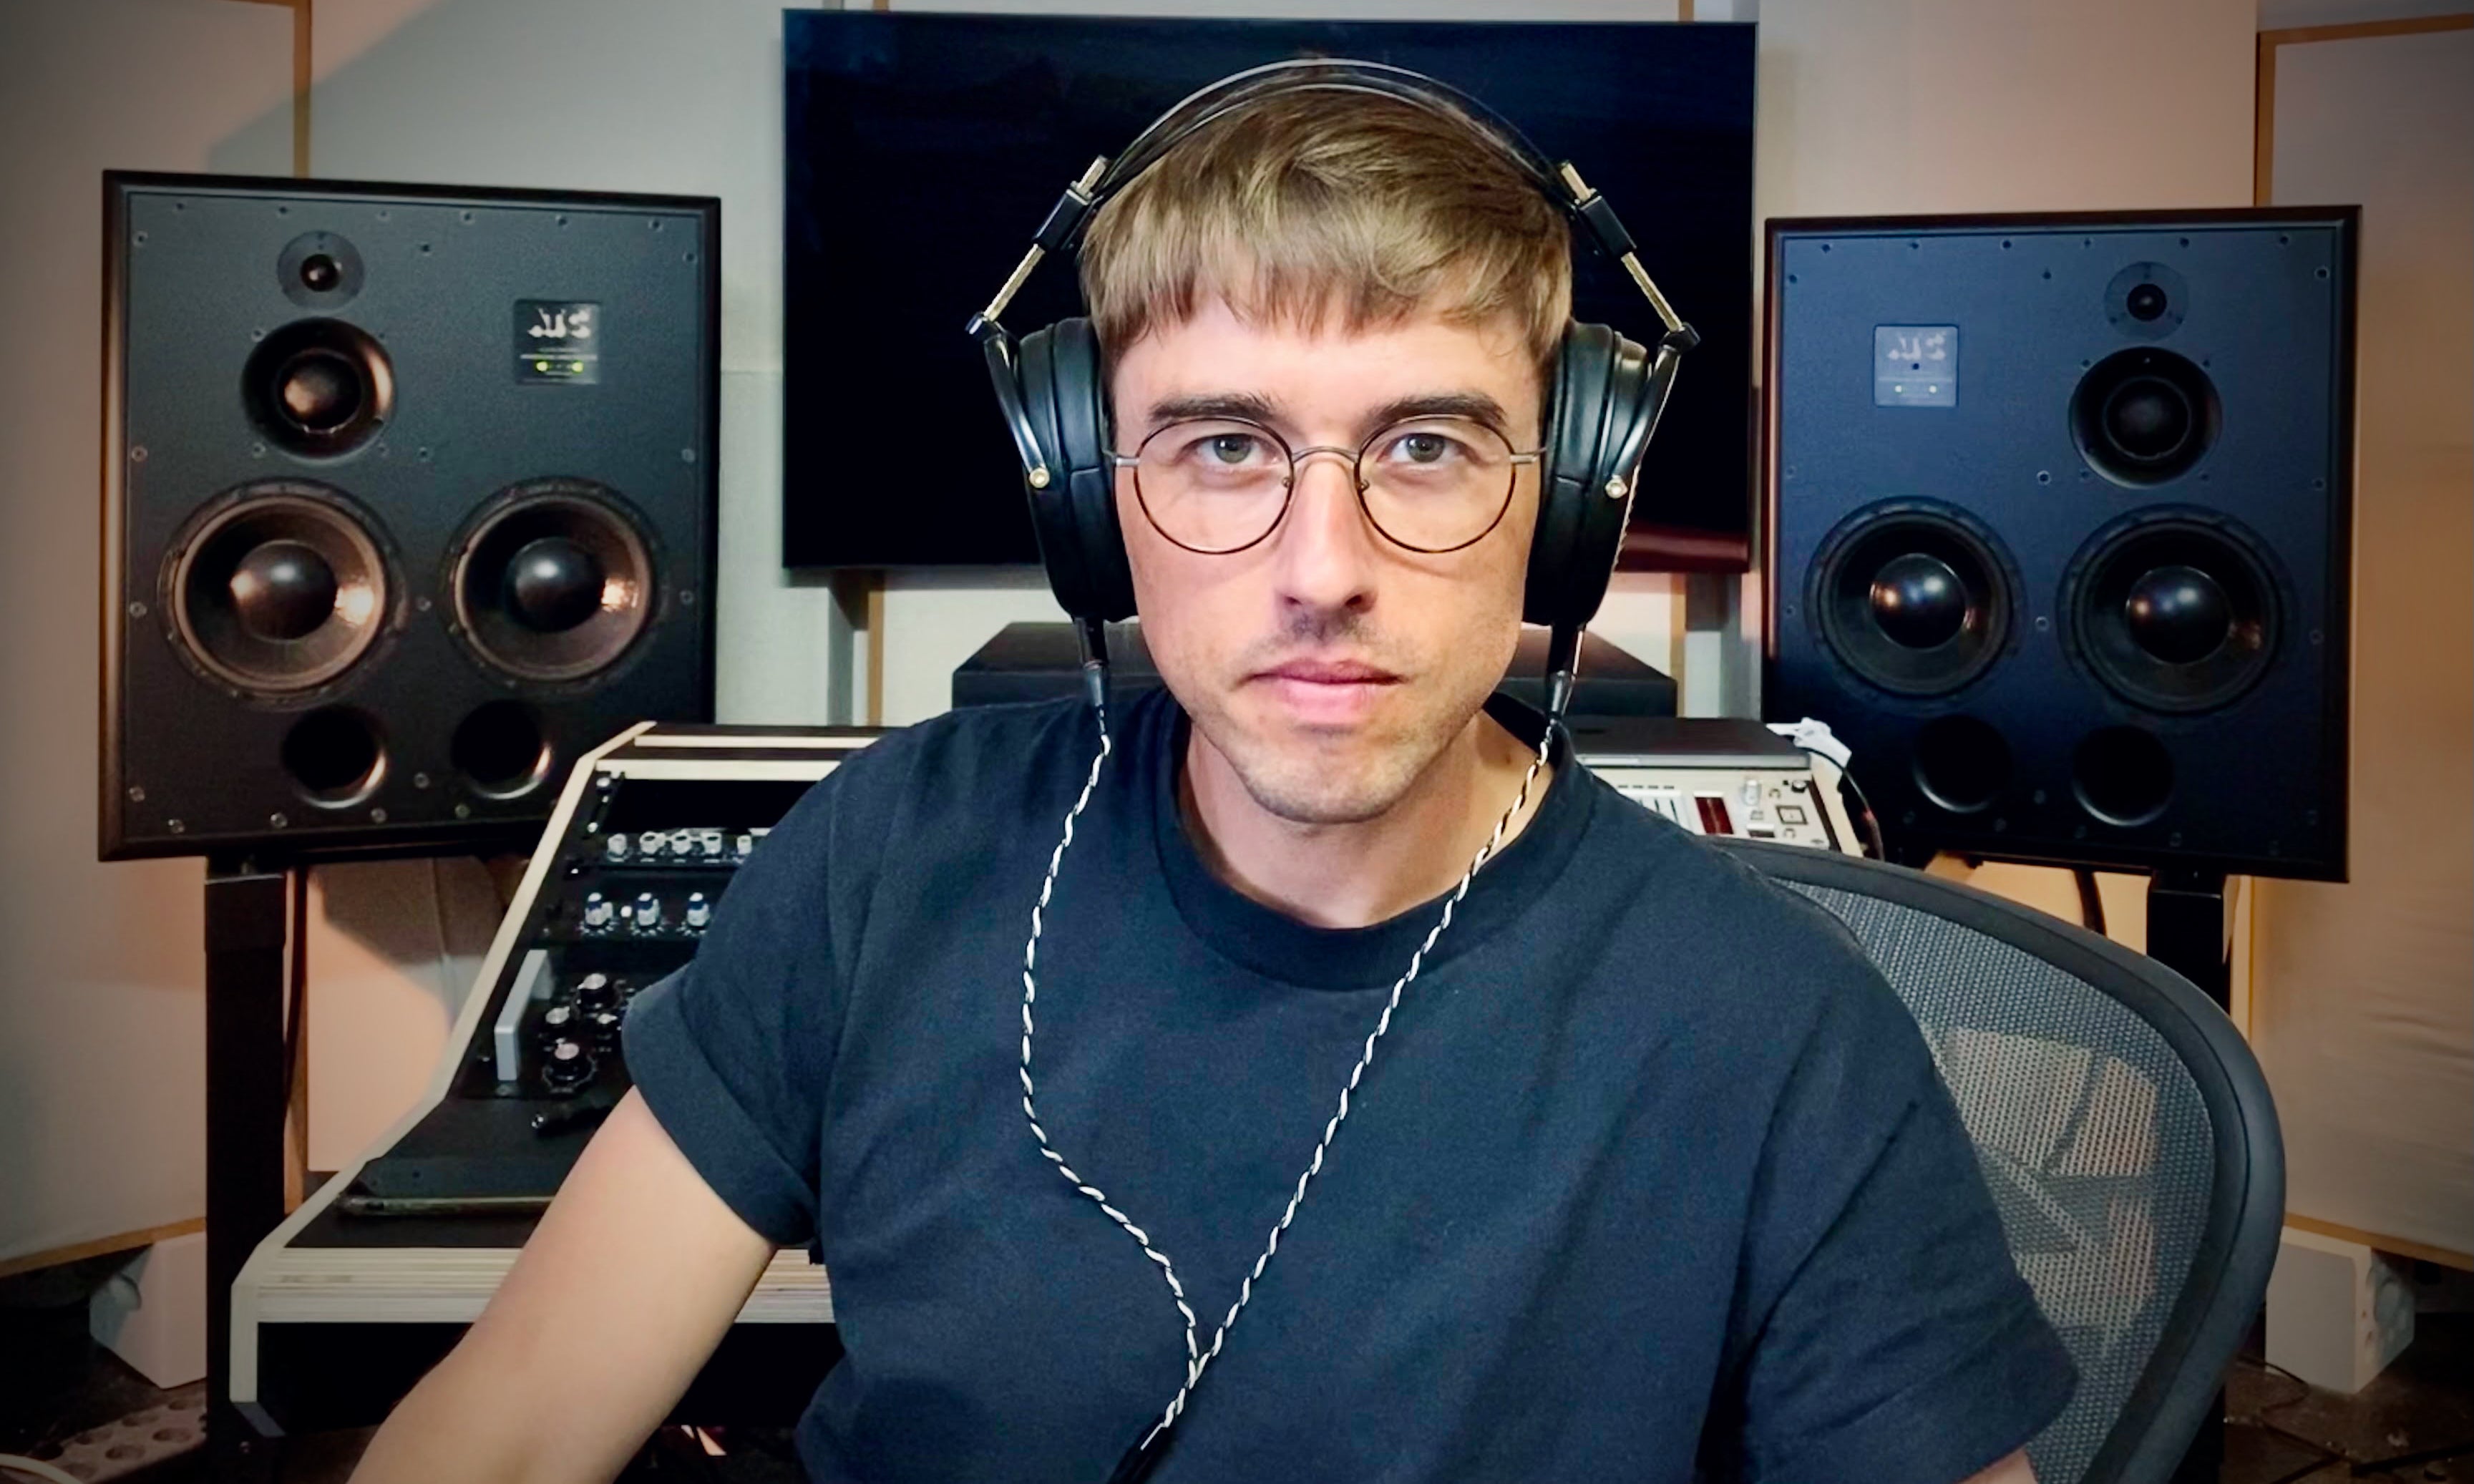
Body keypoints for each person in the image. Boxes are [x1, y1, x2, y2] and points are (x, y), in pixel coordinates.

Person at [348, 76, 2074, 1484]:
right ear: (1092, 506)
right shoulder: (891, 855)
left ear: (1566, 512)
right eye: (1225, 443)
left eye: (1425, 441)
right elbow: (503, 1434)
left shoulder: (1780, 1033)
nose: (1323, 563)